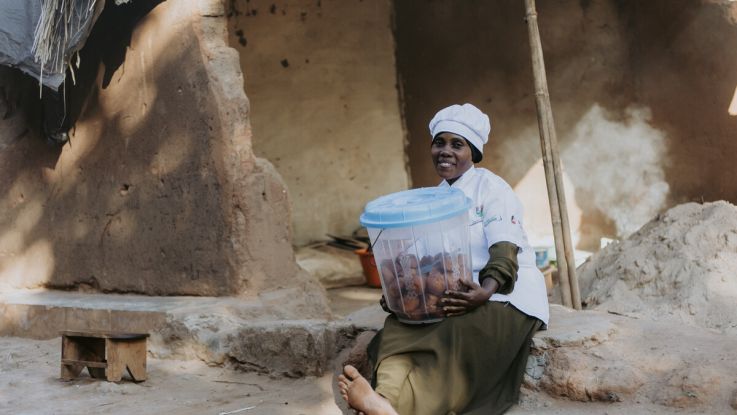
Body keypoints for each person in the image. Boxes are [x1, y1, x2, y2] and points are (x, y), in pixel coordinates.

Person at [338, 103, 549, 415]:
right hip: (459, 294)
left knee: (451, 334)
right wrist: (402, 293)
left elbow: (506, 250)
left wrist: (485, 292)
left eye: (457, 144)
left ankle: (395, 406)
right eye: (439, 142)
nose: (445, 151)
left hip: (506, 295)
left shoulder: (491, 190)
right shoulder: (434, 198)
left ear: (473, 152)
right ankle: (383, 401)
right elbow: (427, 261)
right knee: (398, 328)